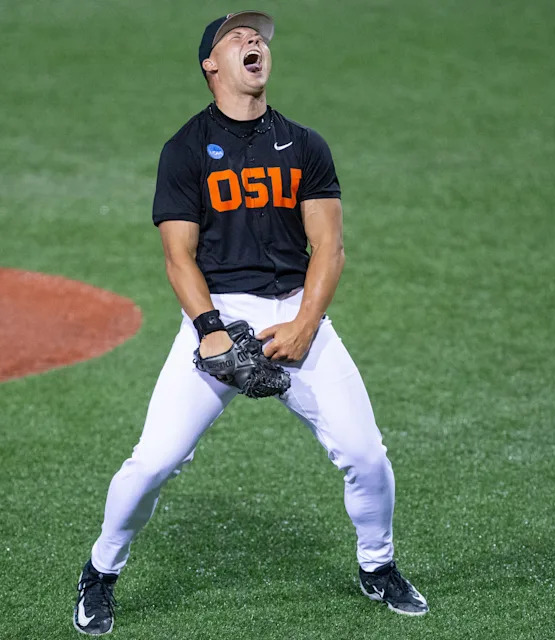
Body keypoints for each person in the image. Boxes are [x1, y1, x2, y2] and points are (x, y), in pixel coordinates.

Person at [73, 11, 428, 636]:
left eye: (258, 35)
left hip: (297, 311)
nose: (253, 41)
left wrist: (304, 326)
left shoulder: (306, 145)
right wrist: (209, 327)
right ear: (212, 65)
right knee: (153, 462)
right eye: (236, 37)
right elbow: (177, 255)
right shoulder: (184, 149)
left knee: (366, 455)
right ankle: (100, 572)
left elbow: (330, 247)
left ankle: (378, 565)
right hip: (218, 316)